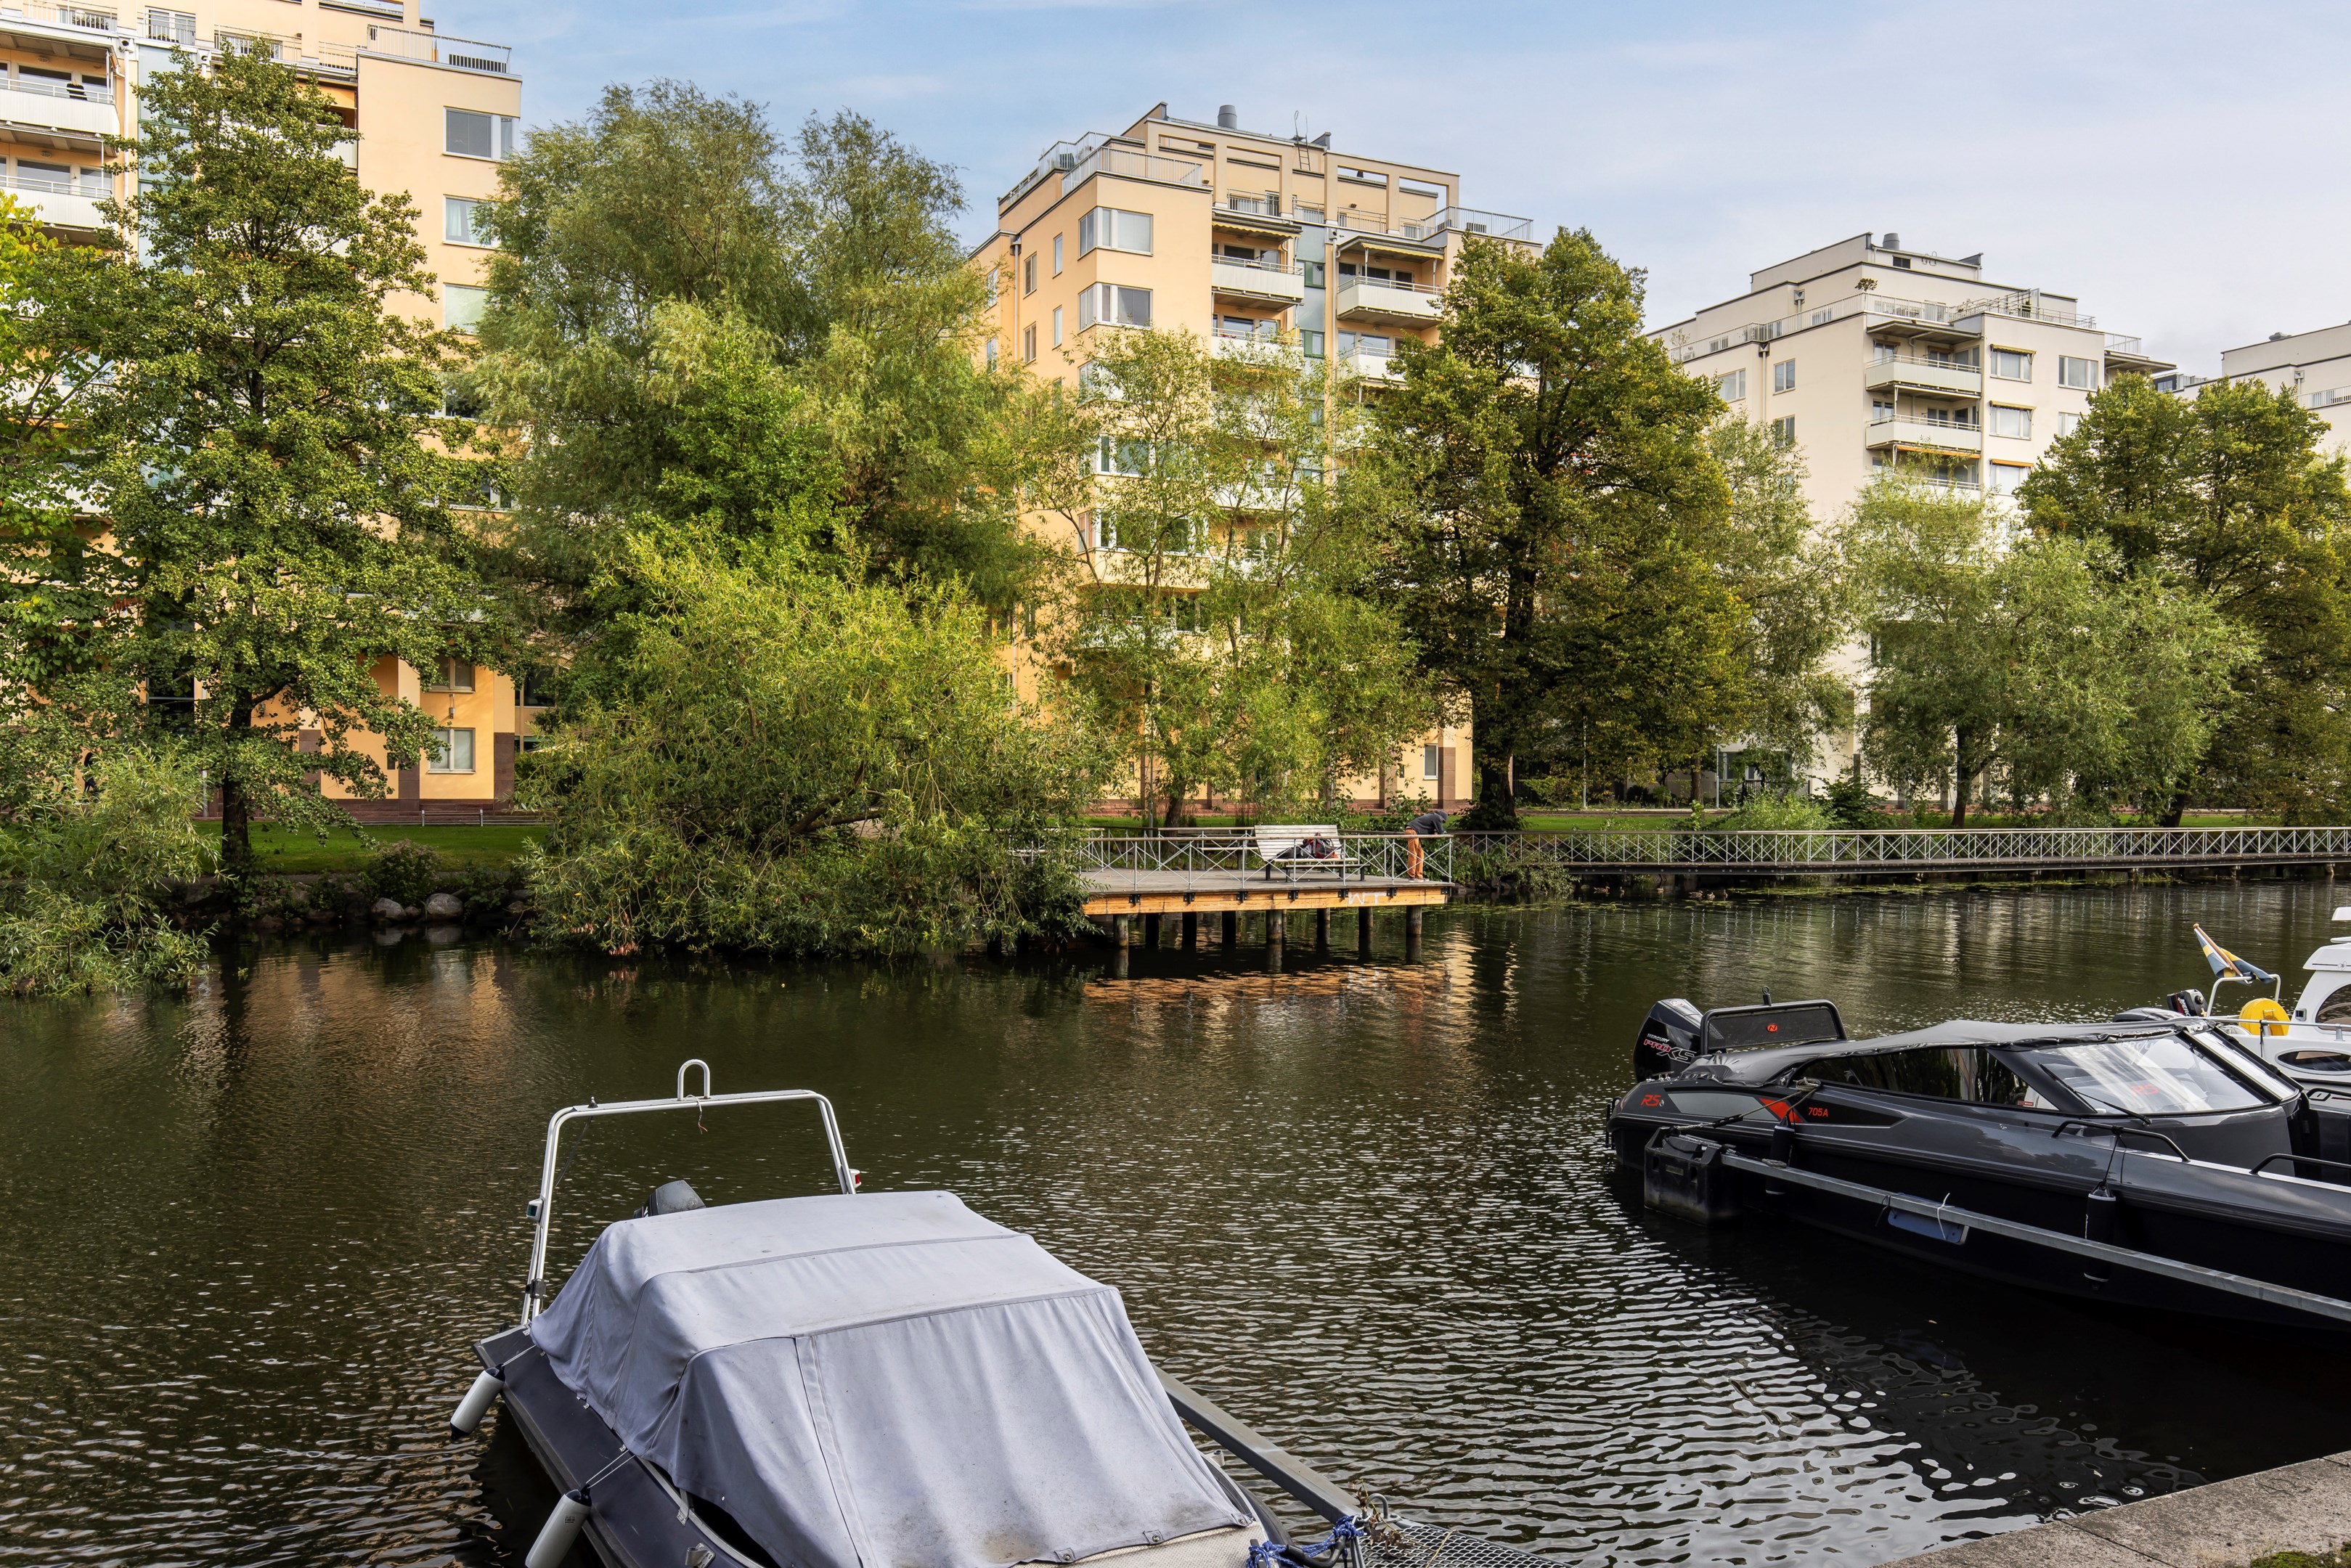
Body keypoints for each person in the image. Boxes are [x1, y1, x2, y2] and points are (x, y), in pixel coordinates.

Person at [1403, 807, 1447, 879]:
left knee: (1420, 854)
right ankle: (1411, 876)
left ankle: (1419, 876)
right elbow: (1441, 832)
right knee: (1413, 854)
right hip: (1412, 831)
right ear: (1442, 818)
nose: (1441, 823)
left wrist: (1434, 832)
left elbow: (1426, 829)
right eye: (1443, 821)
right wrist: (1437, 832)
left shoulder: (1432, 816)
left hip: (1414, 832)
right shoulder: (1438, 817)